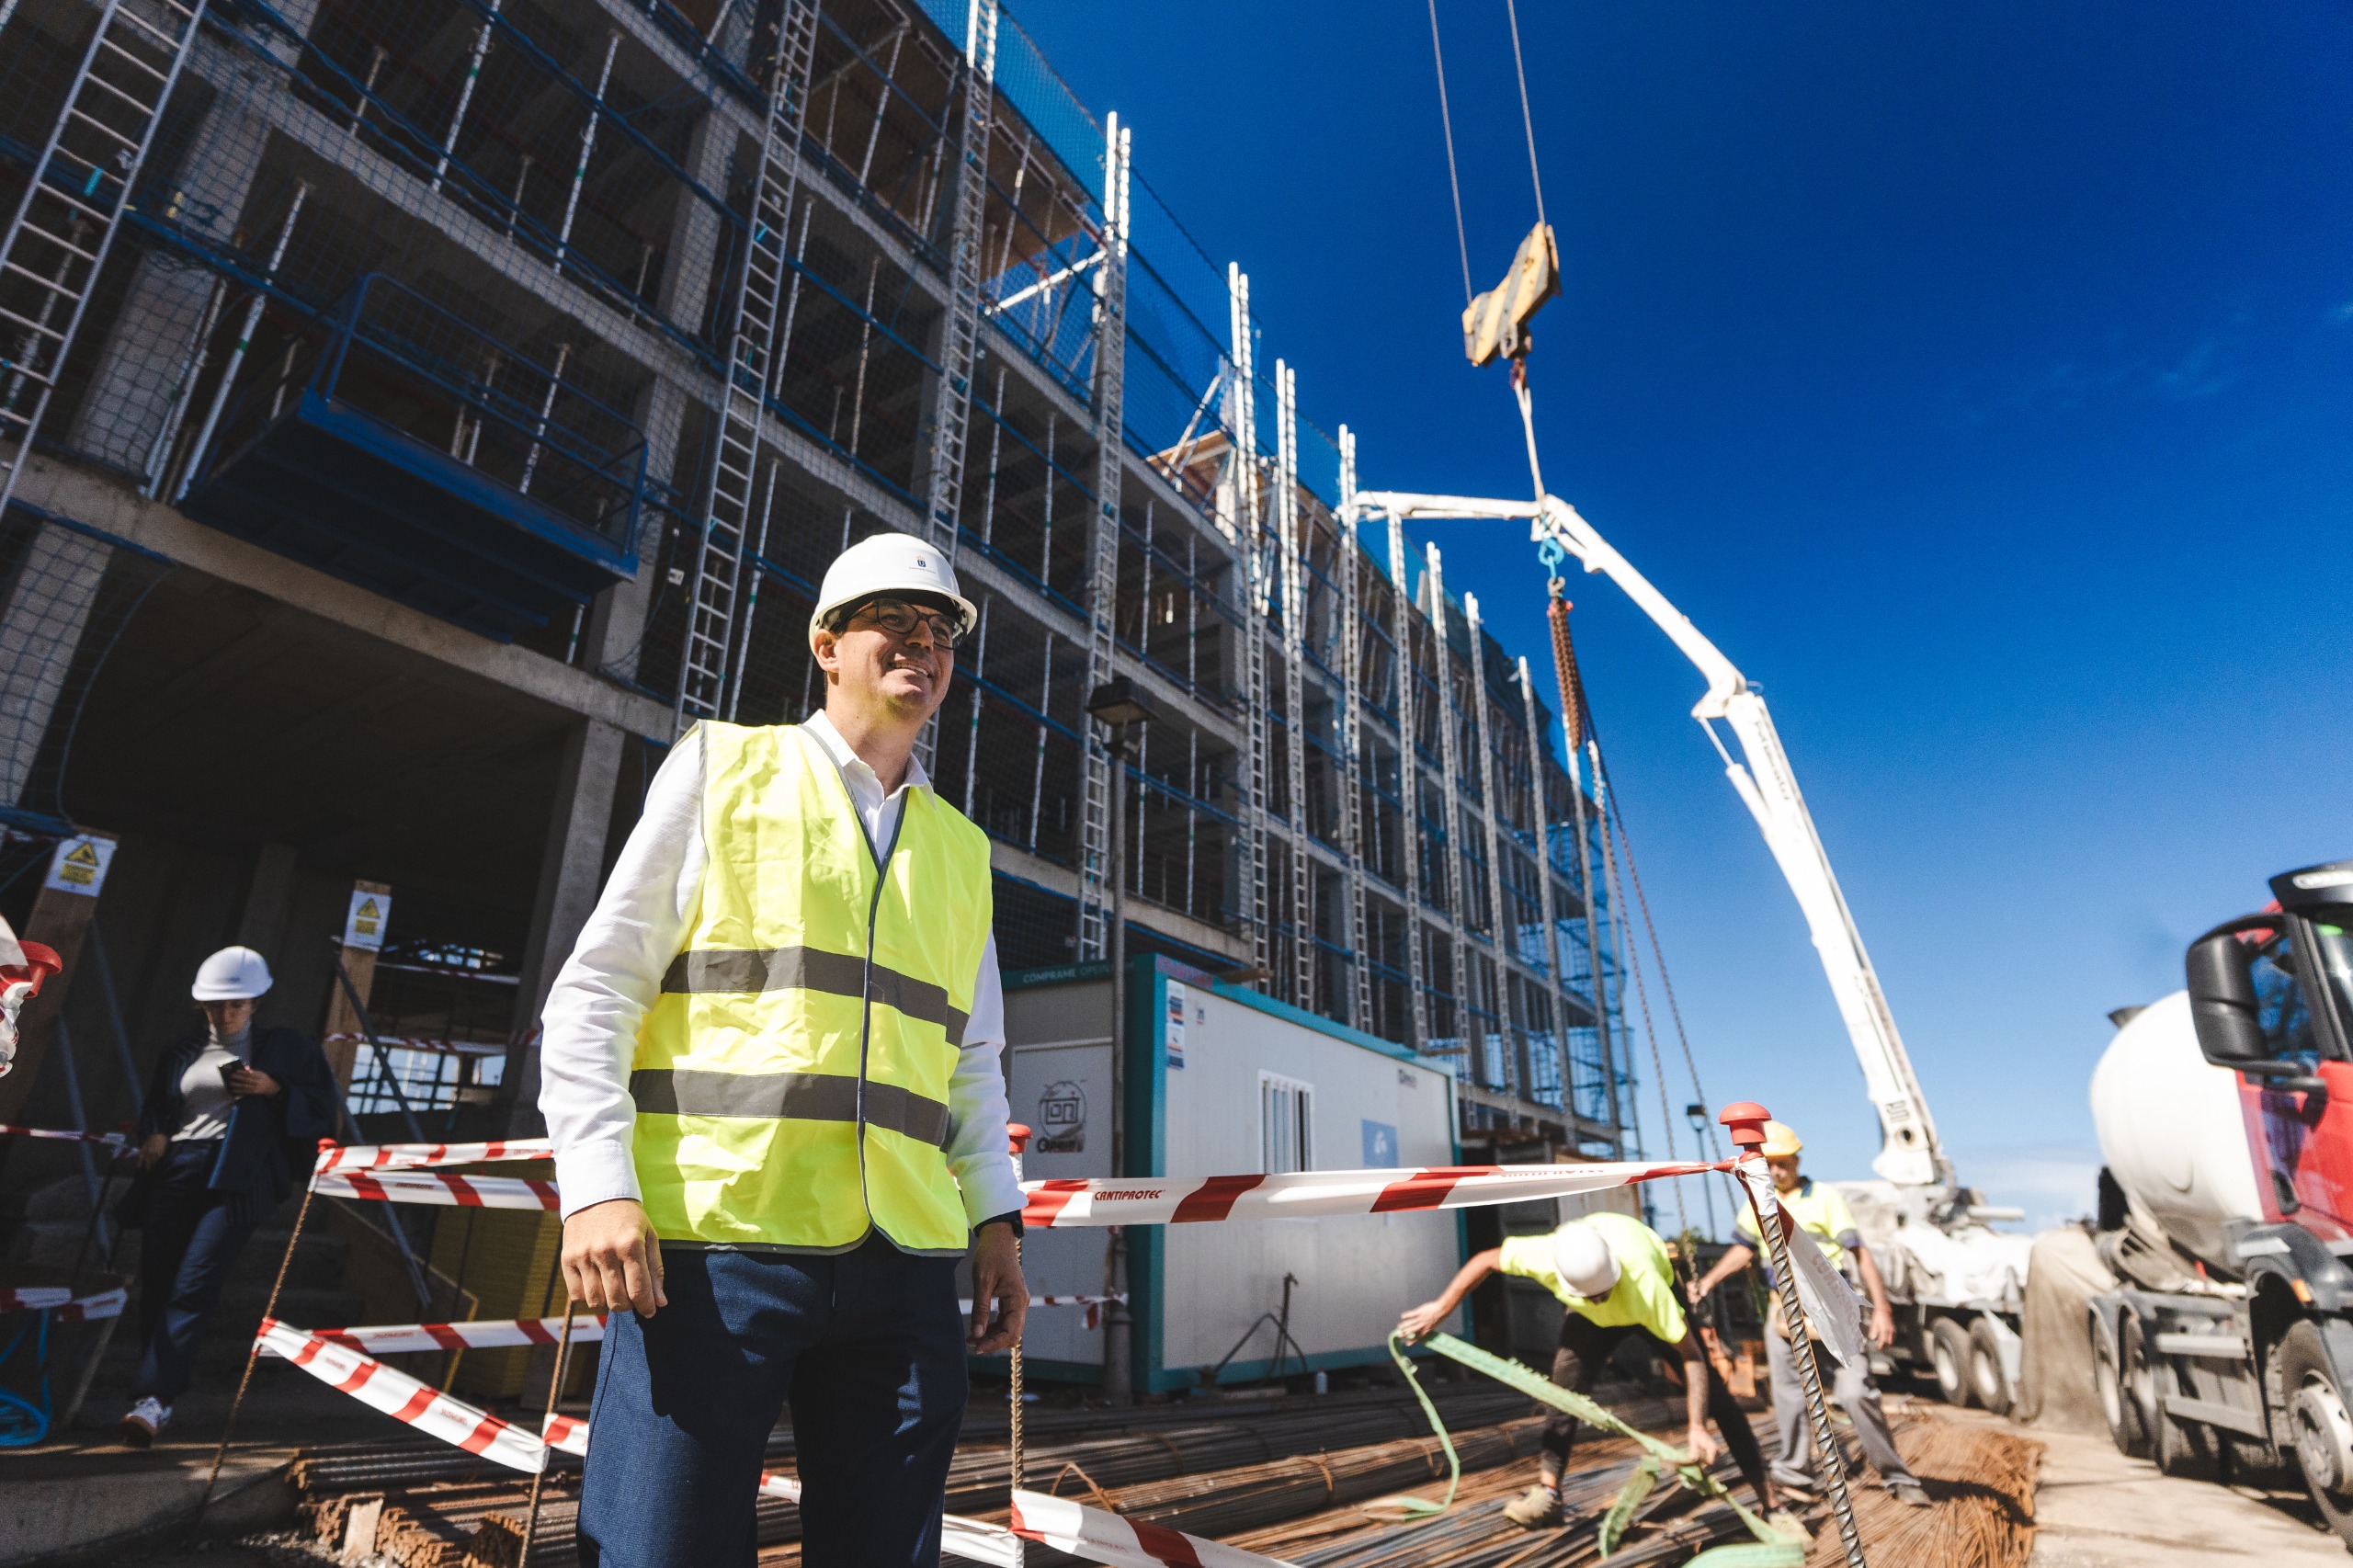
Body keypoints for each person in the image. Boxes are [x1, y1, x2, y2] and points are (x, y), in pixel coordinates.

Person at [540, 531, 1029, 1568]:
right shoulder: (724, 767)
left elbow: (970, 1057)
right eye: (894, 622)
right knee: (658, 1549)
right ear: (826, 644)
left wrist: (997, 1220)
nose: (922, 645)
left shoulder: (960, 849)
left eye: (939, 631)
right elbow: (597, 991)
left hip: (903, 1265)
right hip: (719, 1250)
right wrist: (594, 1186)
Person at [1398, 1209, 1777, 1529]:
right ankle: (1549, 1494)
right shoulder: (1546, 1255)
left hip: (1643, 1302)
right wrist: (1441, 1308)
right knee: (1561, 1394)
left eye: (1603, 1292)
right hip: (1589, 1321)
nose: (1599, 1299)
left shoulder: (1644, 1282)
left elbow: (1692, 1356)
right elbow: (1484, 1260)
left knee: (1718, 1399)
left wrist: (1696, 1426)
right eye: (1590, 1295)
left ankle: (1770, 1504)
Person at [115, 945, 337, 1446]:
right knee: (159, 1280)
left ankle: (153, 1401)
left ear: (256, 1002)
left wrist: (273, 1089)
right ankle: (157, 1392)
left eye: (236, 1004)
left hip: (237, 1177)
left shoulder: (285, 1050)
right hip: (175, 1171)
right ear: (202, 1006)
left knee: (193, 1285)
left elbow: (325, 1111)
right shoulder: (179, 1053)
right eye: (216, 1004)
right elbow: (156, 1107)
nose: (226, 1012)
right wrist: (152, 1133)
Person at [1687, 1119, 1930, 1507]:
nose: (1778, 1171)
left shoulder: (1825, 1199)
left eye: (1784, 1163)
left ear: (1798, 1160)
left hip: (1831, 1309)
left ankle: (1897, 1475)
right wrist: (1709, 1280)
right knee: (1788, 1397)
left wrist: (1881, 1309)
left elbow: (1858, 1252)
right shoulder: (1757, 1200)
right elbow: (1744, 1250)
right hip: (1782, 1310)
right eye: (1771, 1164)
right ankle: (1794, 1474)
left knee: (1854, 1393)